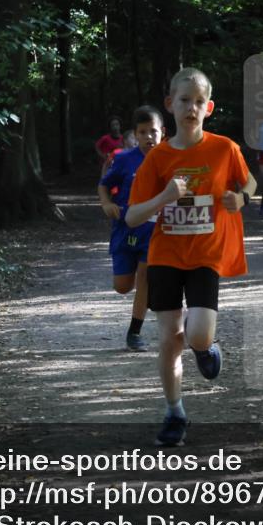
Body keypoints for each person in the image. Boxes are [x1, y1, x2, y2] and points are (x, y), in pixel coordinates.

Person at [126, 67, 256, 447]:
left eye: (199, 102)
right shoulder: (158, 157)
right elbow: (133, 216)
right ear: (170, 105)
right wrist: (164, 198)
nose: (191, 108)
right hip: (166, 256)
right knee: (169, 338)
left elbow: (248, 180)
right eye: (184, 101)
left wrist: (241, 198)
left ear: (209, 107)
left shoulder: (223, 148)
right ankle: (174, 412)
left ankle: (205, 347)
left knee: (196, 333)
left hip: (205, 256)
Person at [98, 106, 164, 352]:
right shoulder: (125, 159)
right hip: (125, 229)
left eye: (153, 132)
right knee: (123, 286)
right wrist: (106, 203)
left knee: (145, 276)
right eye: (143, 132)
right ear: (135, 135)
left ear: (163, 133)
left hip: (154, 232)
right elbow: (104, 185)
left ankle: (134, 332)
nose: (149, 137)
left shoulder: (170, 159)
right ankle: (140, 286)